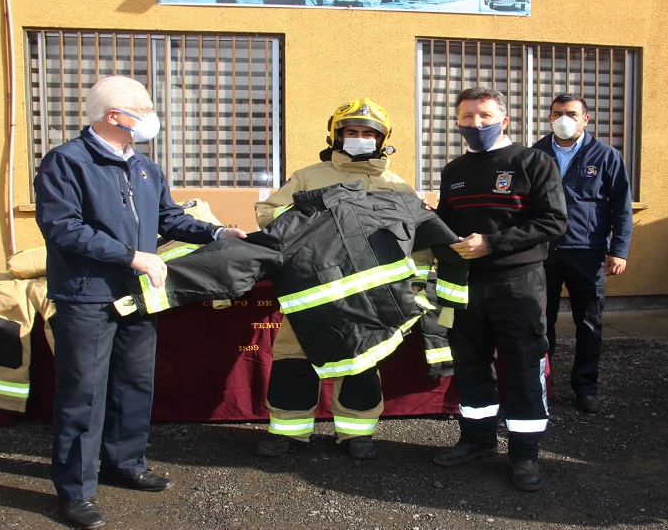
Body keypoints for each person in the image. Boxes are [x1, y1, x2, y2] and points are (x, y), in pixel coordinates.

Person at [34, 75, 246, 529]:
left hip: (136, 296)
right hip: (87, 294)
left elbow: (168, 217)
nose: (152, 117)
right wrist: (132, 256)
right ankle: (75, 489)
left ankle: (124, 463)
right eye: (145, 109)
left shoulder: (145, 167)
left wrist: (216, 232)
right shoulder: (66, 163)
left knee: (134, 383)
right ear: (114, 116)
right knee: (83, 394)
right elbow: (63, 227)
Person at [253, 97, 426, 461]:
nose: (359, 138)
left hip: (367, 294)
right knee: (293, 359)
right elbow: (269, 215)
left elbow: (417, 241)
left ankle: (356, 434)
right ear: (337, 135)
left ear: (381, 140)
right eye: (351, 132)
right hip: (311, 287)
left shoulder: (397, 187)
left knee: (361, 359)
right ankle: (288, 432)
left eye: (367, 133)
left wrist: (414, 288)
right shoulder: (308, 177)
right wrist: (315, 214)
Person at [432, 87, 567, 491]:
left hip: (517, 283)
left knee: (524, 364)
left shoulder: (533, 162)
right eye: (468, 117)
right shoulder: (454, 171)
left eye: (486, 116)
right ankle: (476, 439)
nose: (477, 124)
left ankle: (524, 454)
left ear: (504, 120)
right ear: (457, 123)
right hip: (465, 285)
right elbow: (447, 223)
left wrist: (491, 243)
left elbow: (554, 222)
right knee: (471, 363)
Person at [531, 93, 633, 415]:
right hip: (543, 252)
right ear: (549, 118)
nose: (564, 118)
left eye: (572, 113)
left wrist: (619, 250)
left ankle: (585, 387)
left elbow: (622, 208)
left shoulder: (605, 156)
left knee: (588, 323)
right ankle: (540, 386)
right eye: (558, 113)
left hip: (587, 254)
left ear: (585, 119)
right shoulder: (535, 154)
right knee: (539, 323)